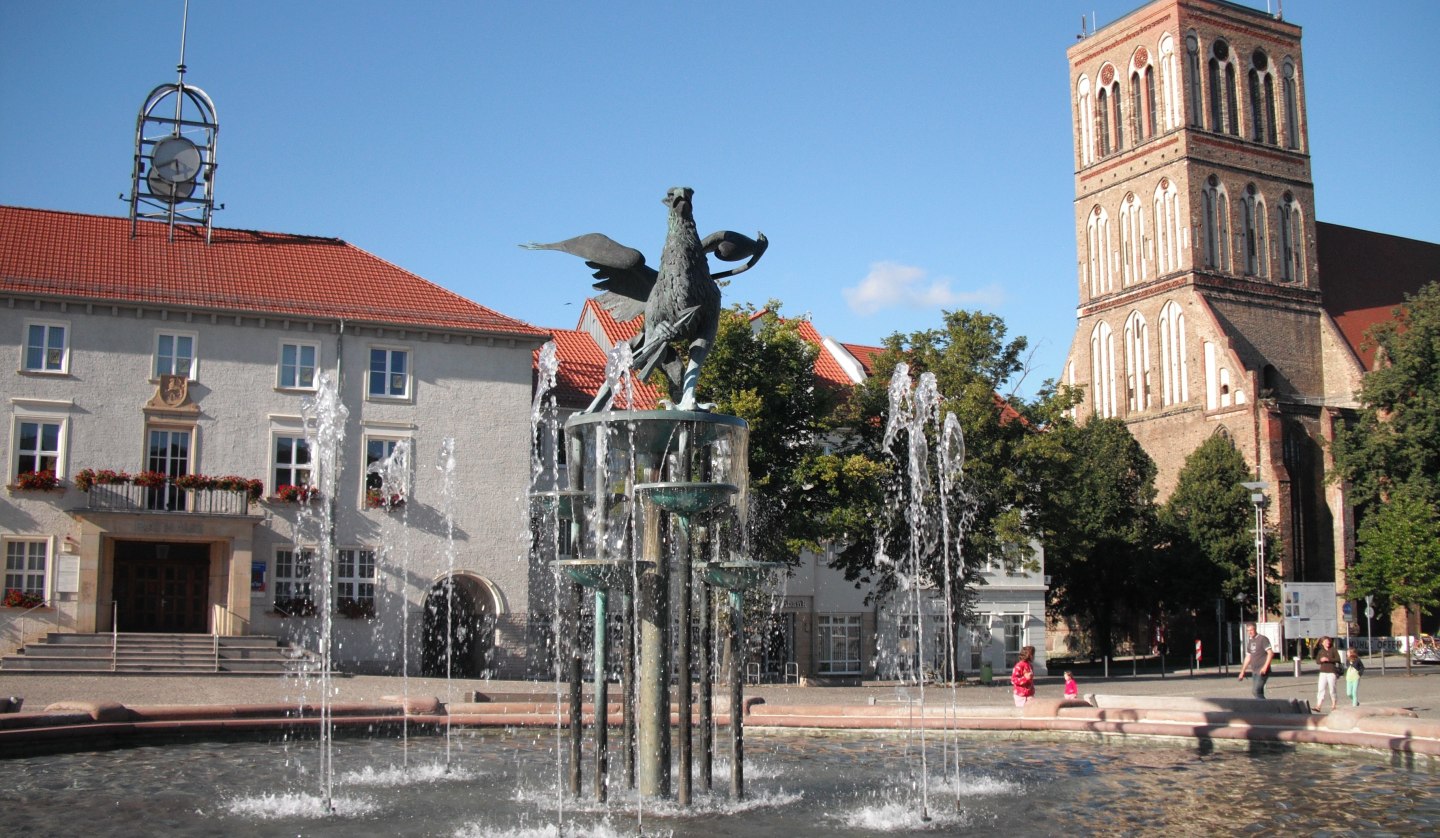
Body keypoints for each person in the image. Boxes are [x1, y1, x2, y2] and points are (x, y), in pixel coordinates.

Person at [1237, 622, 1275, 699]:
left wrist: (1265, 667)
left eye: (1251, 630)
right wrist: (1242, 671)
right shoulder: (1250, 641)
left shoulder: (1262, 639)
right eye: (1248, 630)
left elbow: (1270, 653)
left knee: (1256, 690)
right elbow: (1248, 657)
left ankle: (1265, 707)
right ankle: (1264, 707)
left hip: (1262, 670)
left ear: (1255, 629)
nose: (1249, 632)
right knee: (1258, 691)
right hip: (1254, 670)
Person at [1313, 635, 1341, 712]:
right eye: (1325, 642)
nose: (1327, 643)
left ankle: (1334, 704)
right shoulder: (1321, 651)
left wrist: (1329, 659)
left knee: (1332, 689)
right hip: (1323, 672)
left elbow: (1338, 659)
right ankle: (1318, 706)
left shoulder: (1333, 650)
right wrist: (1321, 660)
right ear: (1322, 643)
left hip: (1331, 671)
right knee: (1321, 689)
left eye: (1328, 641)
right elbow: (1317, 661)